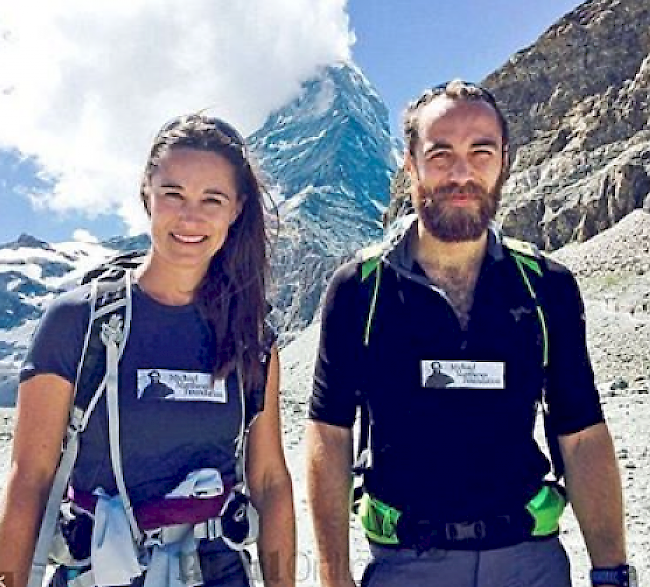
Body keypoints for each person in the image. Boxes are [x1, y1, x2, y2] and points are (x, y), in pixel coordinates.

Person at [307, 81, 632, 587]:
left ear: (505, 160)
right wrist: (333, 575)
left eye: (481, 151)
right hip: (407, 565)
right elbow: (329, 433)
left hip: (531, 564)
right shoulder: (359, 290)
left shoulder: (547, 286)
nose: (461, 173)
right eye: (440, 154)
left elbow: (582, 433)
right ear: (410, 165)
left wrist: (611, 572)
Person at [0, 114, 295, 587]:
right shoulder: (79, 322)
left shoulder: (251, 334)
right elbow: (30, 479)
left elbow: (270, 482)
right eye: (173, 194)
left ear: (237, 209)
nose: (190, 217)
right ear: (147, 194)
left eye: (212, 199)